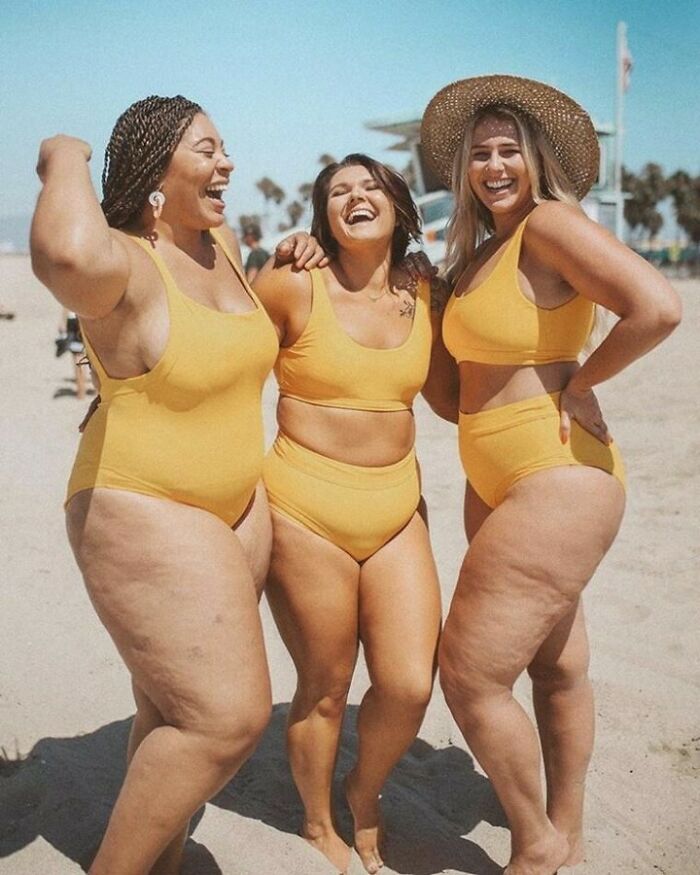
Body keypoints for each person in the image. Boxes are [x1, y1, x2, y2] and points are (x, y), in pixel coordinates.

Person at [30, 95, 324, 875]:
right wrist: (65, 151)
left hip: (235, 507)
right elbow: (61, 251)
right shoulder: (127, 260)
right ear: (156, 169)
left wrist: (295, 253)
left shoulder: (219, 244)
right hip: (141, 502)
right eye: (205, 148)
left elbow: (238, 334)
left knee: (173, 705)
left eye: (225, 145)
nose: (226, 160)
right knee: (226, 718)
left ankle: (159, 861)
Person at [419, 75, 681, 874]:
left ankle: (534, 844)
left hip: (556, 469)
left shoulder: (551, 225)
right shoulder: (477, 258)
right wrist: (420, 298)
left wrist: (585, 382)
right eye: (480, 153)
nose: (495, 165)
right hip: (493, 476)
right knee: (554, 664)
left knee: (467, 673)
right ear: (462, 168)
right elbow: (449, 396)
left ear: (536, 162)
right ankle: (567, 827)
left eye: (510, 151)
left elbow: (657, 305)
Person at [253, 154, 443, 874]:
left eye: (370, 187)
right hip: (304, 505)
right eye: (338, 192)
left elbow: (460, 392)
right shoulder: (292, 281)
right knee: (326, 685)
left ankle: (365, 789)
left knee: (407, 681)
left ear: (398, 205)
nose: (356, 197)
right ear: (321, 215)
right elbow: (222, 361)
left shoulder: (425, 290)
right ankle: (316, 821)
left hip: (396, 506)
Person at [55, 307, 88, 399]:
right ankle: (95, 391)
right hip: (87, 318)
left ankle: (81, 392)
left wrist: (63, 321)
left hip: (74, 319)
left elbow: (66, 304)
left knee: (78, 356)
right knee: (93, 356)